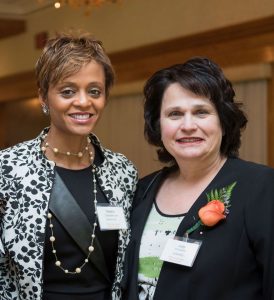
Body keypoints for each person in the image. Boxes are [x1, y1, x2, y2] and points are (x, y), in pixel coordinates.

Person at [0, 32, 138, 300]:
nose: (84, 101)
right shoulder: (7, 169)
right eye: (68, 91)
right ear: (43, 96)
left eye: (94, 91)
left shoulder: (123, 171)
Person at [122, 57, 274, 300]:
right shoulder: (143, 190)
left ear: (223, 121)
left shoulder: (262, 187)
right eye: (174, 114)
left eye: (201, 112)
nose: (188, 125)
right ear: (158, 126)